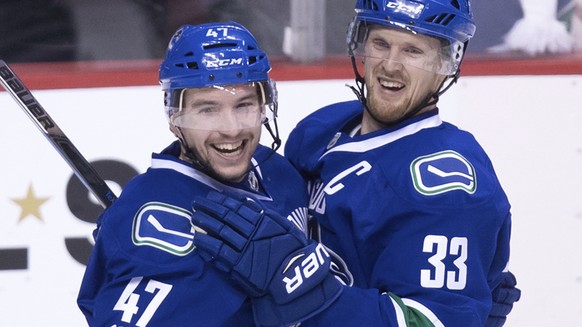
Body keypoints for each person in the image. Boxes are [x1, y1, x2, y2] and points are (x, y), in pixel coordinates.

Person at [191, 0, 520, 326]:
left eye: (413, 51)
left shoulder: (446, 190)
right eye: (381, 43)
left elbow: (431, 321)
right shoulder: (323, 128)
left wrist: (299, 285)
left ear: (447, 62)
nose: (390, 65)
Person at [76, 21, 313, 326]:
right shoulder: (151, 224)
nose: (232, 129)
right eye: (207, 110)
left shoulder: (278, 171)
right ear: (174, 118)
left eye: (244, 105)